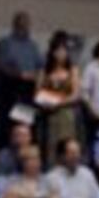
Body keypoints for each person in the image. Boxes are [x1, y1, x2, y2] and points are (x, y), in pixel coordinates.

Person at [0, 12, 42, 150]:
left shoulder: (33, 45)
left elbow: (40, 67)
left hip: (27, 92)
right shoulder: (5, 43)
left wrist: (36, 80)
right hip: (9, 90)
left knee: (24, 125)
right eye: (21, 22)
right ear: (14, 24)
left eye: (26, 23)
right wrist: (19, 74)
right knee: (8, 127)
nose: (24, 26)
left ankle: (23, 152)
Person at [36, 39, 80, 168]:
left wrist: (59, 102)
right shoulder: (45, 71)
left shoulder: (73, 70)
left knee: (67, 143)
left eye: (63, 51)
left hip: (66, 113)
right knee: (50, 145)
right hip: (49, 113)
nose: (60, 54)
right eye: (57, 50)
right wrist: (46, 103)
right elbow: (37, 93)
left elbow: (76, 95)